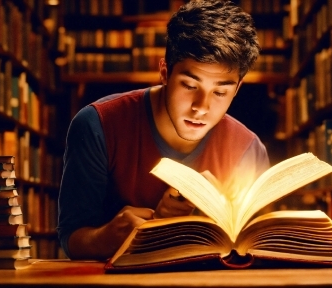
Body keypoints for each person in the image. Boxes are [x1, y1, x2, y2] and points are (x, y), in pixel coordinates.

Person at [57, 0, 270, 261]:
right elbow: (71, 240)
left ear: (237, 89)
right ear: (164, 72)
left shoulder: (248, 149)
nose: (201, 107)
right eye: (190, 86)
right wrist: (107, 237)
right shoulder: (98, 125)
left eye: (220, 92)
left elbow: (258, 249)